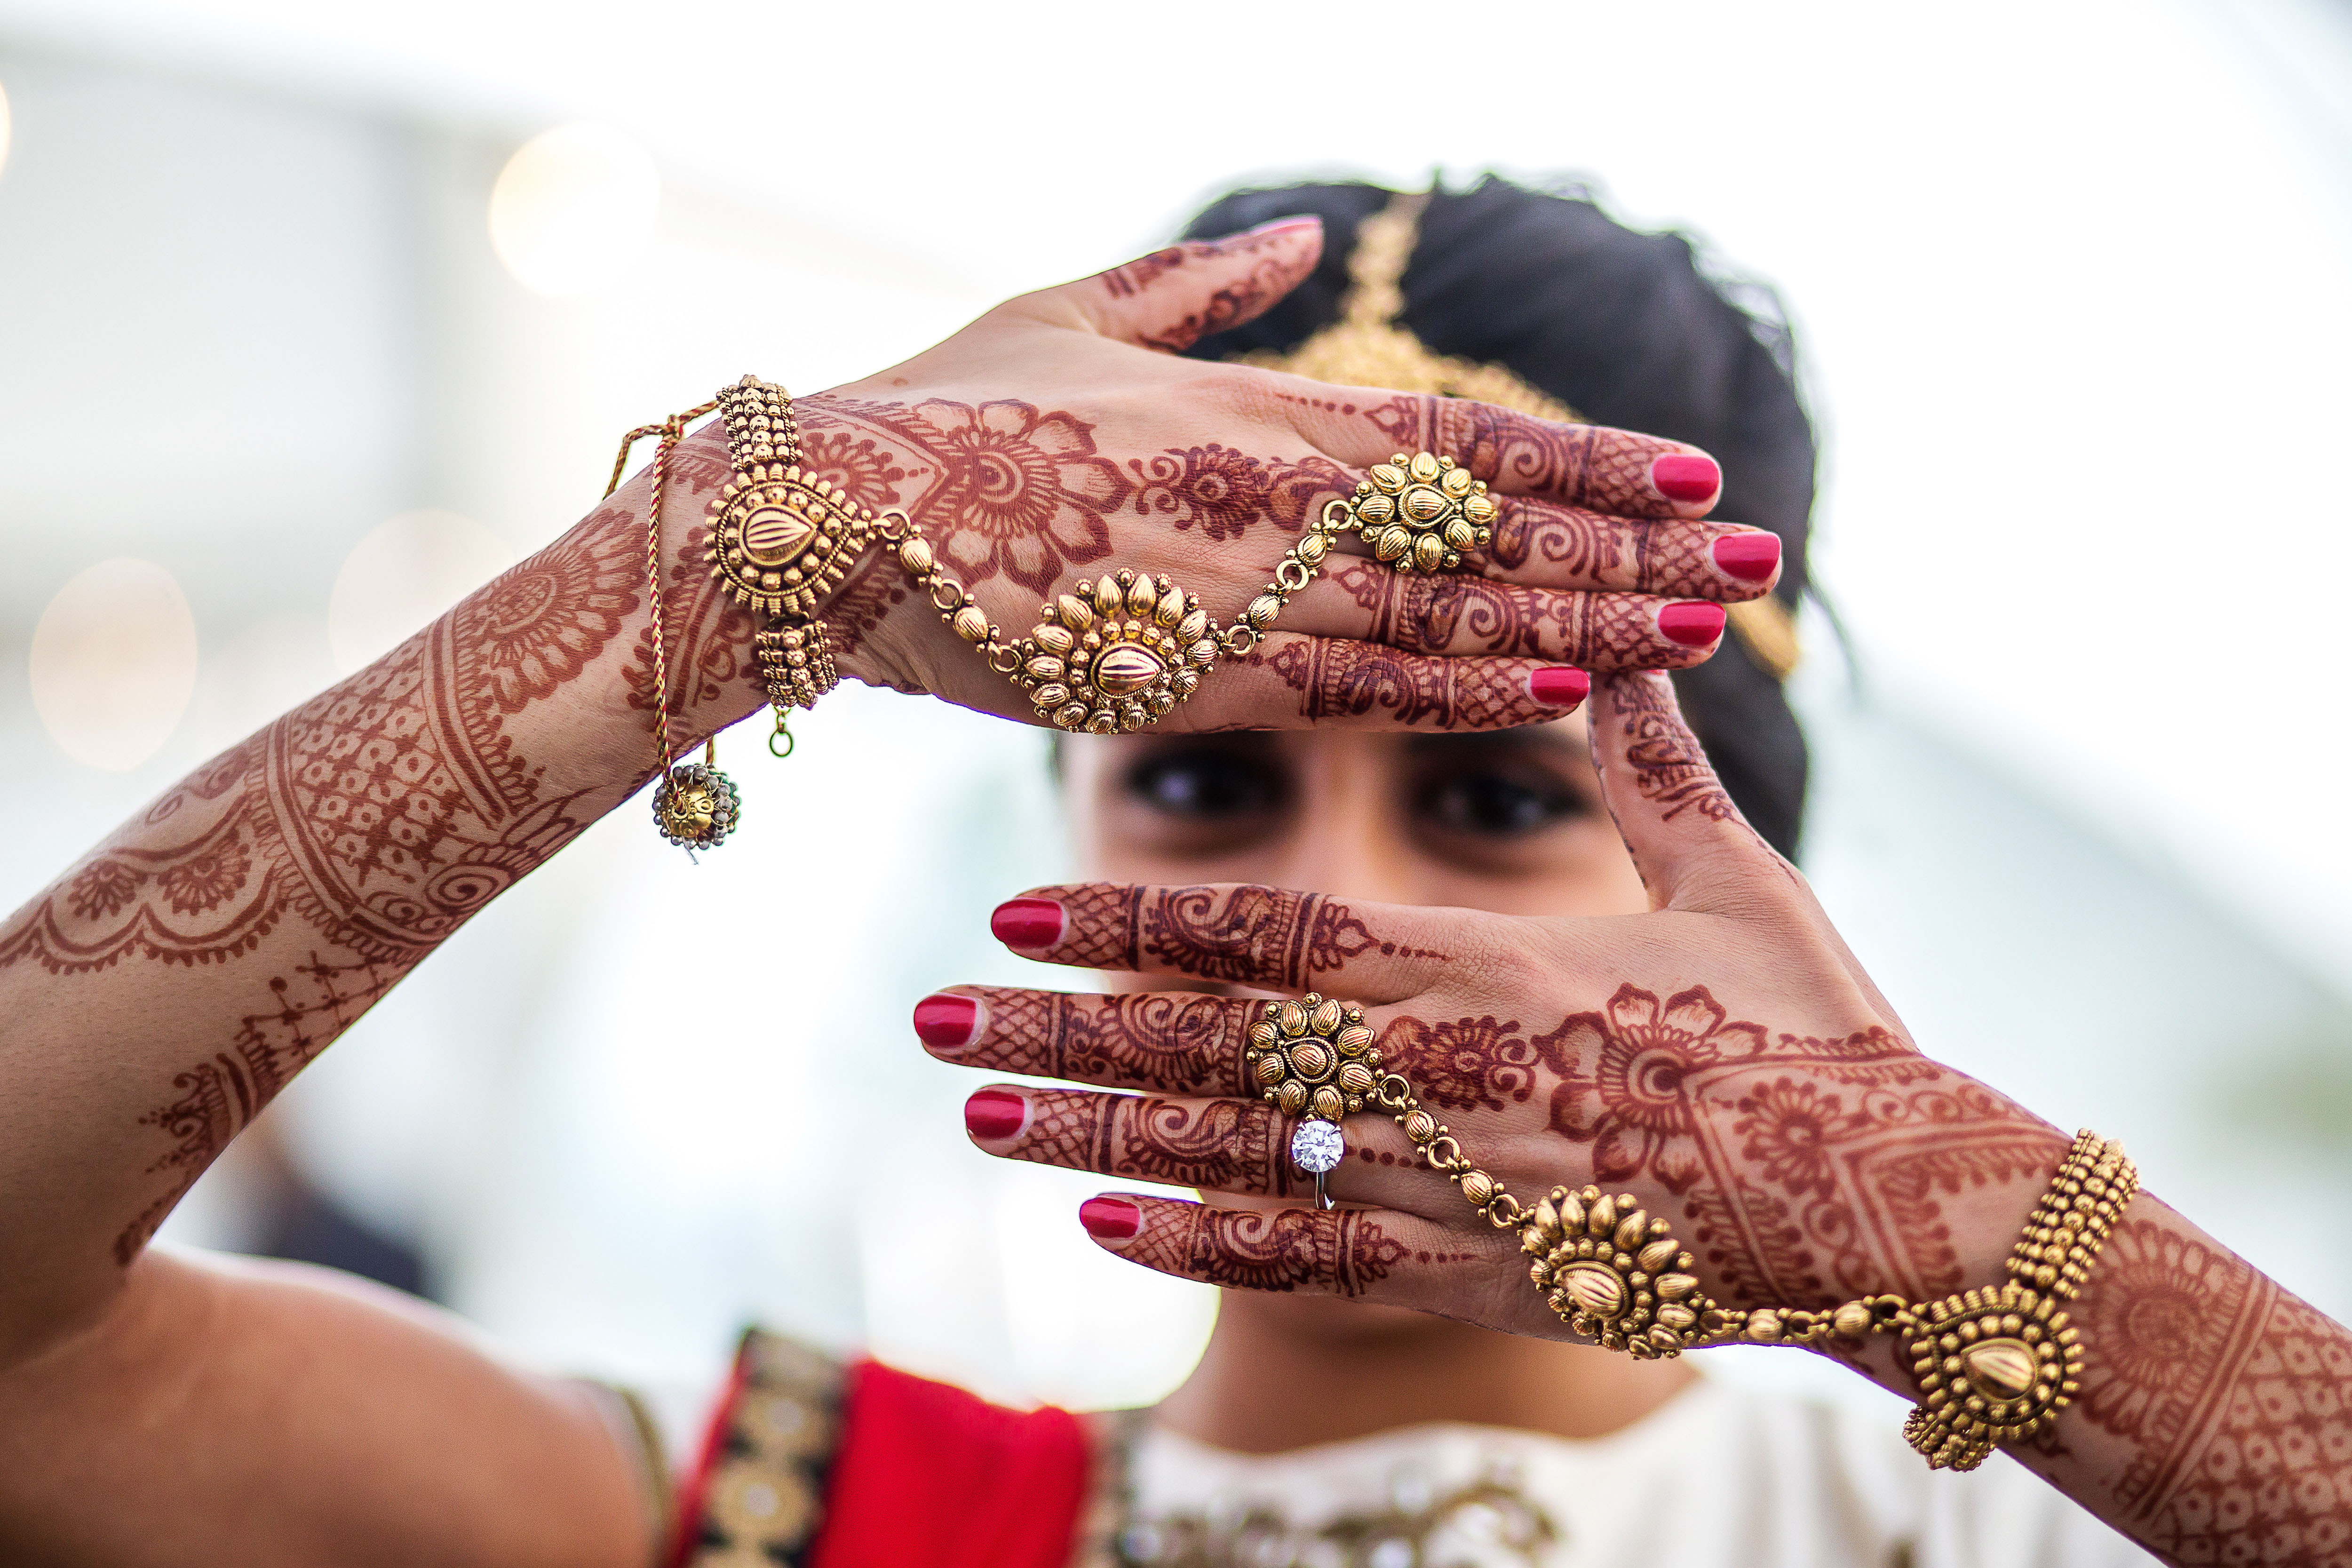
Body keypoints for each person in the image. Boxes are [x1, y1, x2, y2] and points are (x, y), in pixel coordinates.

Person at [0, 178, 2319, 1568]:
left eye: (1502, 804)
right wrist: (708, 576)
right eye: (1202, 791)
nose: (1327, 914)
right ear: (1066, 821)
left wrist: (1989, 1253)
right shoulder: (818, 1516)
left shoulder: (2026, 1520)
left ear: (1744, 898)